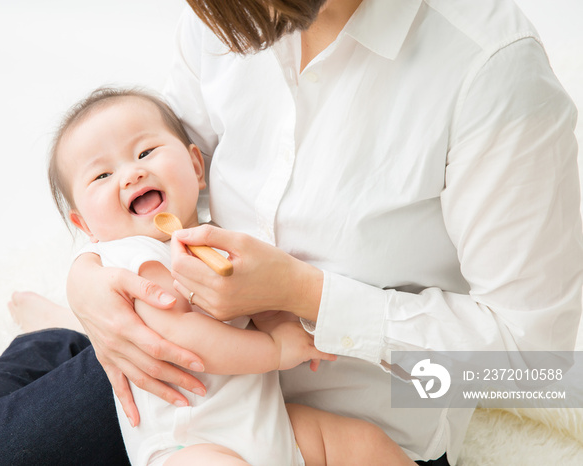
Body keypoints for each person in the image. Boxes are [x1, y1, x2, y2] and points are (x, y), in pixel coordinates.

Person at [63, 0, 583, 464]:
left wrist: (308, 297)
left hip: (353, 434)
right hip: (192, 392)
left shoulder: (490, 66)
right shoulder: (225, 14)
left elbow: (535, 366)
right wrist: (85, 277)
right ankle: (48, 340)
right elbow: (157, 171)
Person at [50, 87, 413, 465]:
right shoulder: (133, 256)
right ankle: (52, 332)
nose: (131, 173)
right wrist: (276, 349)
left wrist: (284, 319)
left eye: (145, 152)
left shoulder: (221, 241)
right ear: (83, 224)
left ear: (195, 167)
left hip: (271, 426)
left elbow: (258, 297)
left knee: (362, 444)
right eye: (103, 174)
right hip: (190, 443)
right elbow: (188, 338)